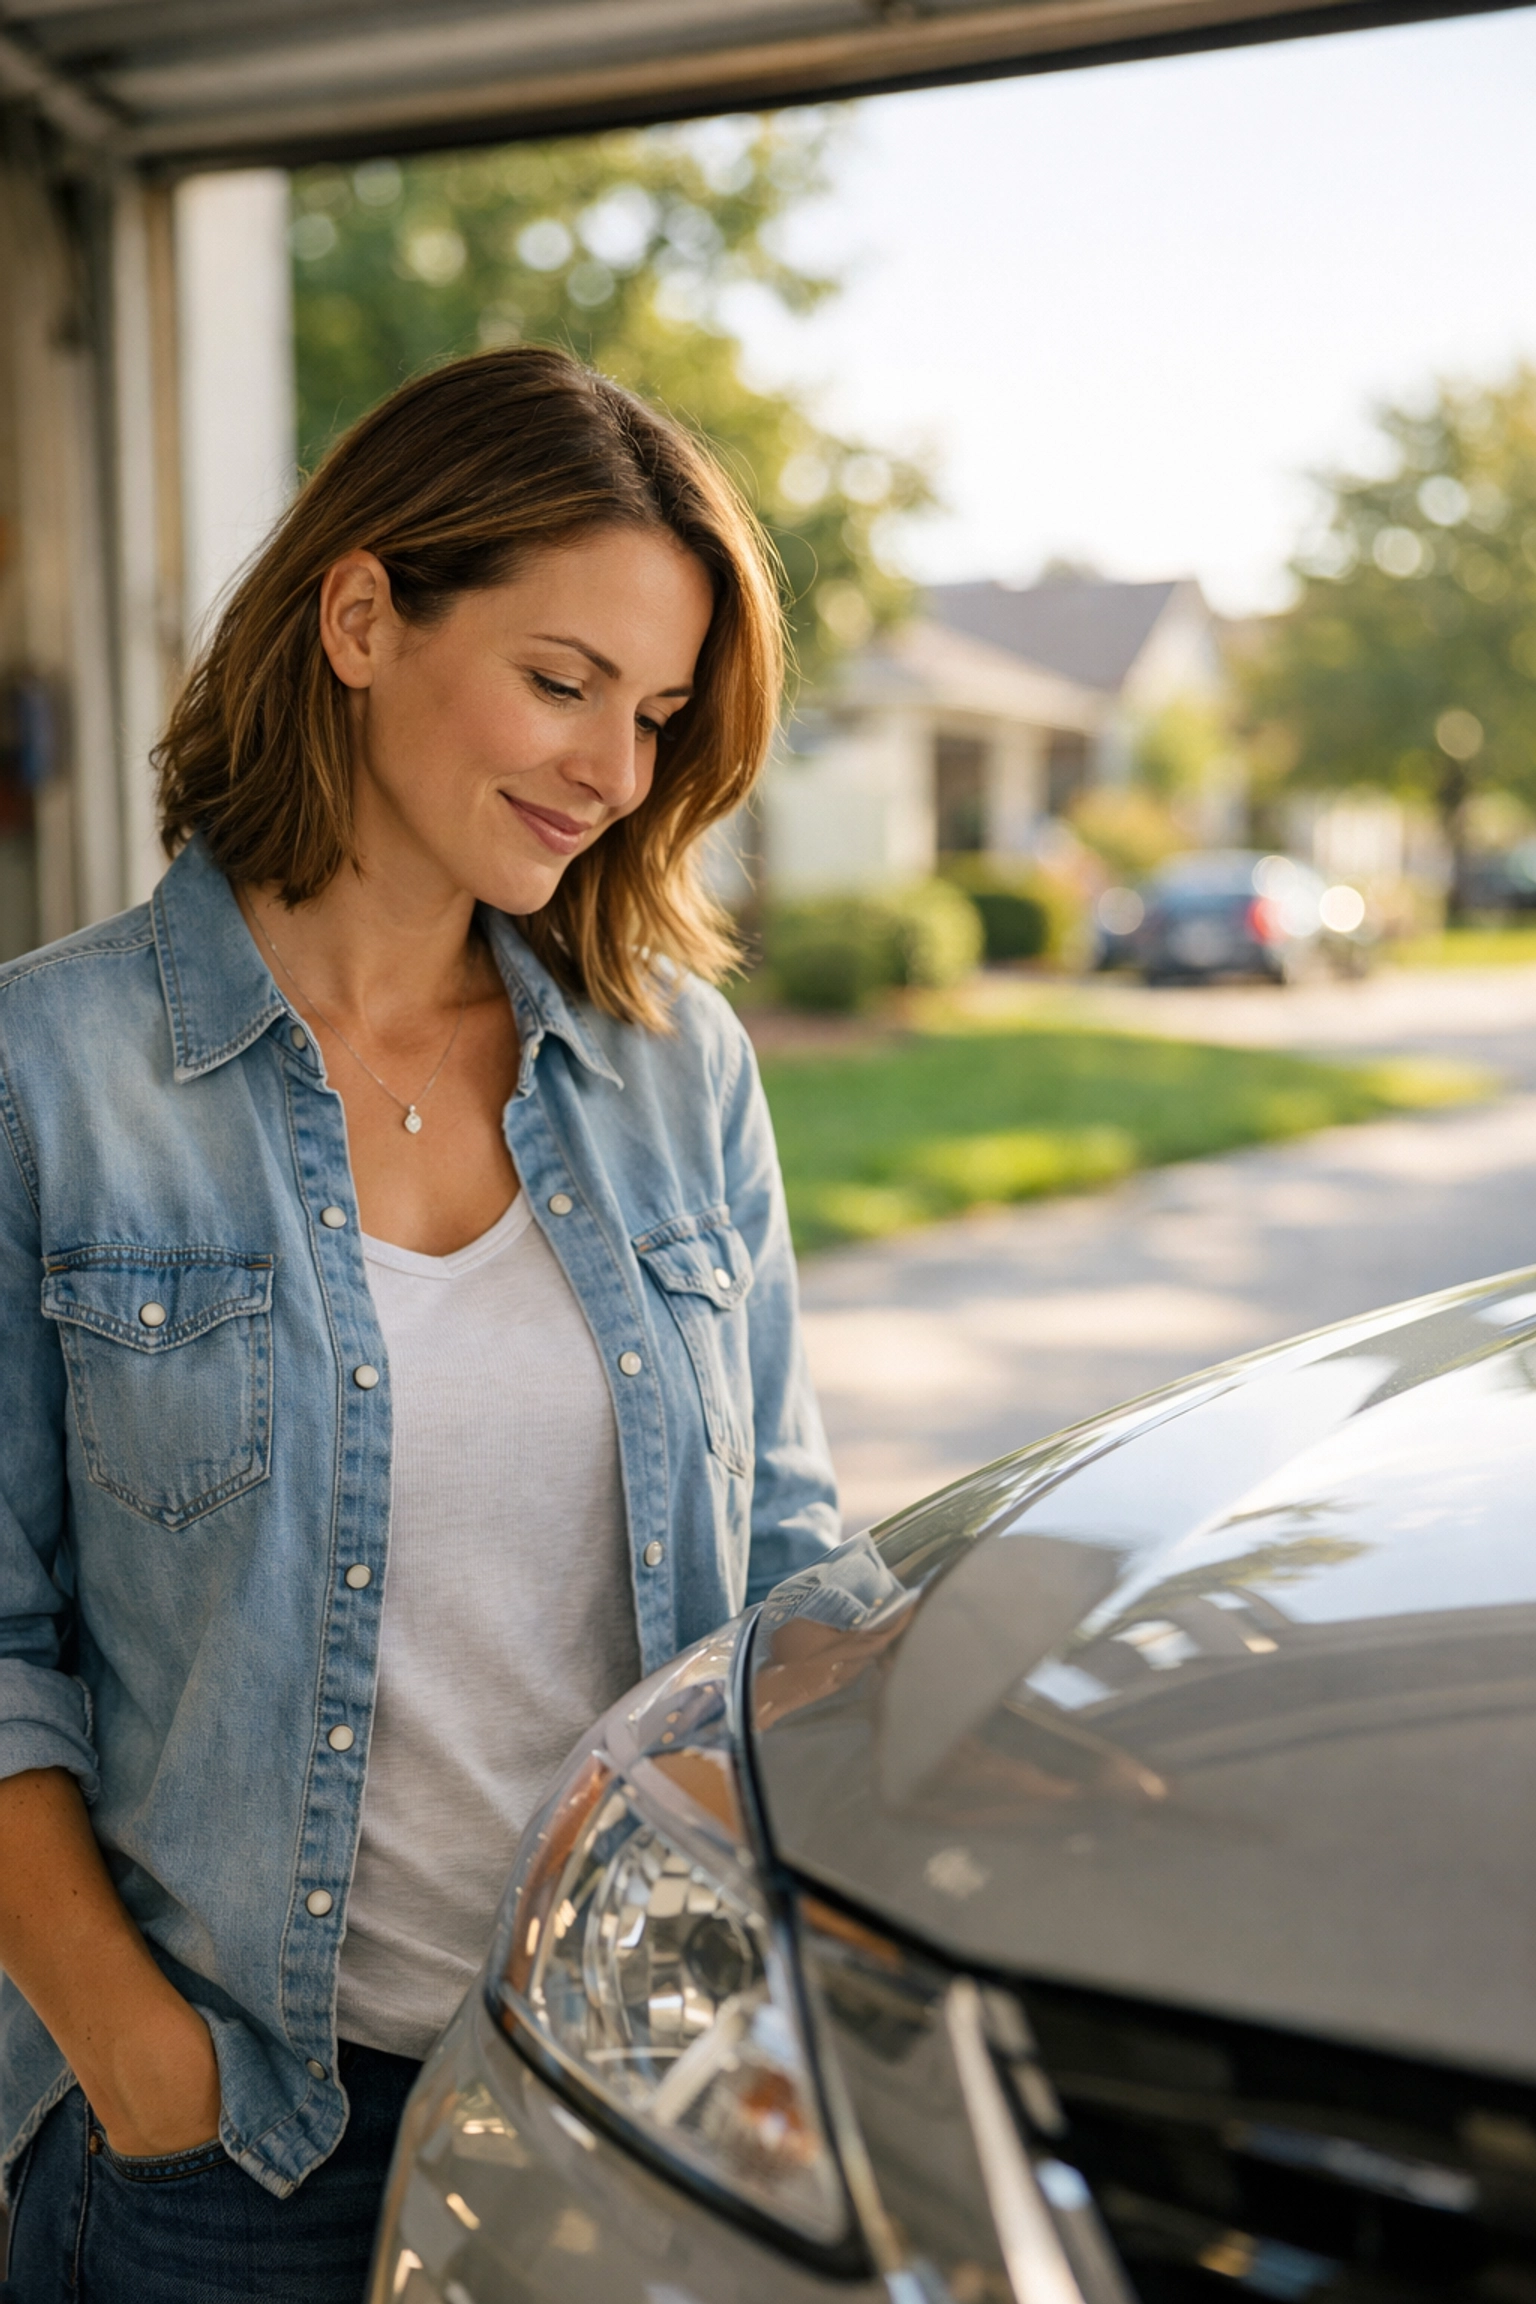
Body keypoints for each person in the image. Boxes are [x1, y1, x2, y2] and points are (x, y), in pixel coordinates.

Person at [0, 346, 838, 2303]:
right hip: (232, 2152)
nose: (615, 773)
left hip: (637, 2093)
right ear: (363, 615)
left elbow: (793, 1564)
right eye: (561, 682)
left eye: (652, 713)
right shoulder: (47, 1079)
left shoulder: (673, 1067)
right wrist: (140, 2059)